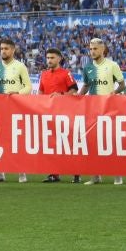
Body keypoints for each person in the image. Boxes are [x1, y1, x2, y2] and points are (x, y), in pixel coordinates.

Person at [80, 37, 126, 185]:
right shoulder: (87, 68)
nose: (92, 52)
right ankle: (95, 176)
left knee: (111, 143)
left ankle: (117, 176)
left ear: (102, 49)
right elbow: (86, 86)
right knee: (93, 143)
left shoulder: (112, 65)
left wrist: (115, 92)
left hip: (109, 109)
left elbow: (123, 86)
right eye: (90, 49)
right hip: (92, 110)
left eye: (95, 49)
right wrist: (76, 97)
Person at [0, 38, 30, 183]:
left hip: (16, 109)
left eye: (6, 48)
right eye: (1, 48)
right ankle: (0, 173)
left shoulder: (20, 66)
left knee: (16, 141)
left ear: (13, 50)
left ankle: (22, 173)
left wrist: (17, 94)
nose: (3, 51)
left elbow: (28, 87)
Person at [38, 47, 79, 183]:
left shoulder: (66, 73)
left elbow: (74, 90)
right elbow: (40, 93)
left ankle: (76, 173)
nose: (49, 60)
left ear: (59, 58)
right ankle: (54, 174)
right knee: (52, 143)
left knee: (69, 143)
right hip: (49, 115)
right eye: (48, 58)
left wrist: (61, 96)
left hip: (65, 114)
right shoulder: (44, 74)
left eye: (52, 58)